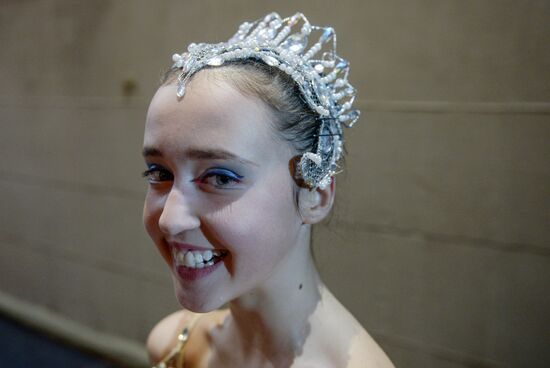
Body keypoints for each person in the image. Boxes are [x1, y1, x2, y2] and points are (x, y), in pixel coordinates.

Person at [142, 12, 394, 368]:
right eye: (159, 173)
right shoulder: (175, 345)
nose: (170, 220)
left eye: (221, 178)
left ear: (314, 195)